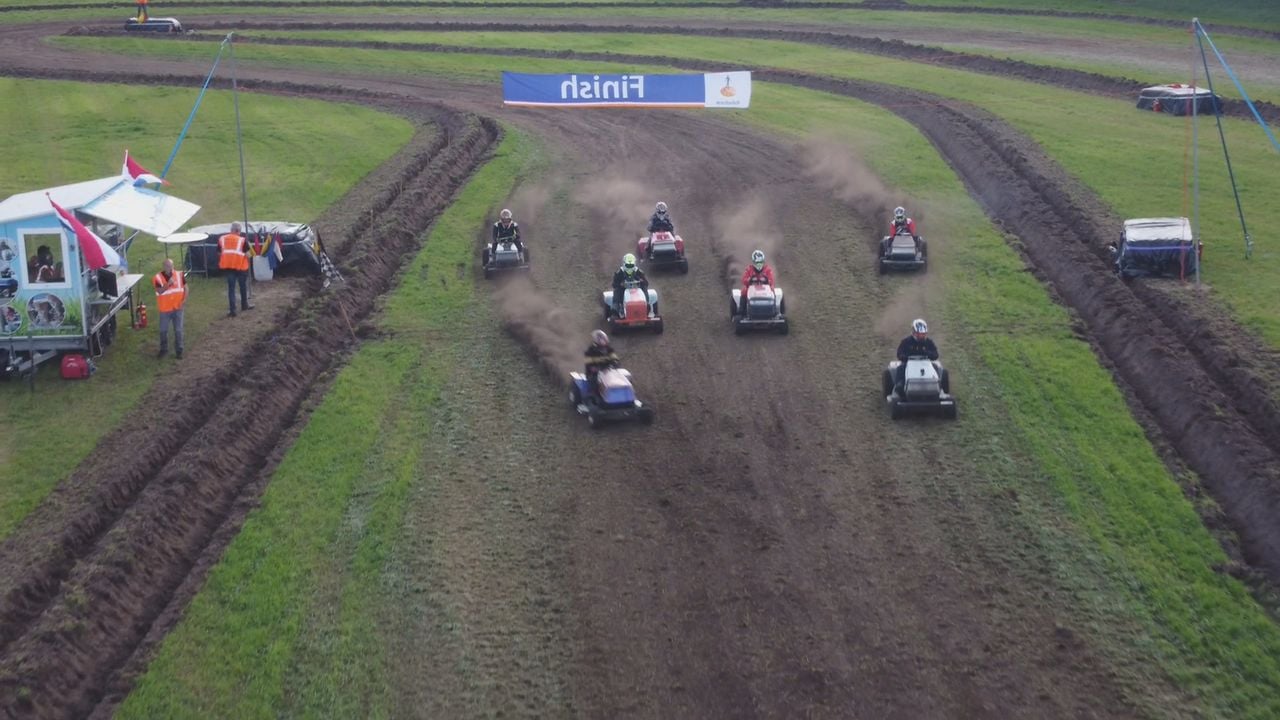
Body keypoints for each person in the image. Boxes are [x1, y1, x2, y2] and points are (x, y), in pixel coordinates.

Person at [894, 318, 940, 395]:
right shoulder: (906, 342)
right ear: (914, 333)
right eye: (919, 334)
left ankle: (938, 385)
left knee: (936, 367)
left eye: (923, 334)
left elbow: (935, 354)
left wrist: (927, 353)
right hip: (909, 363)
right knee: (900, 368)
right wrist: (907, 357)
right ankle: (900, 385)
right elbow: (899, 354)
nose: (921, 336)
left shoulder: (929, 342)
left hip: (925, 363)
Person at [153, 258, 187, 359]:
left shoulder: (180, 275)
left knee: (178, 330)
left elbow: (186, 288)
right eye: (167, 266)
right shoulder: (157, 278)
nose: (170, 268)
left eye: (171, 266)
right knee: (163, 330)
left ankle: (179, 351)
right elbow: (159, 291)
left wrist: (184, 301)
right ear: (164, 267)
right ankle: (163, 350)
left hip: (178, 308)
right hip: (165, 309)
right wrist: (168, 284)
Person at [218, 222, 253, 316]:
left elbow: (218, 252)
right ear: (238, 231)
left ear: (231, 229)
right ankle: (244, 305)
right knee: (243, 287)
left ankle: (232, 310)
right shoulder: (242, 240)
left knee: (231, 289)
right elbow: (248, 255)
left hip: (228, 268)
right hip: (241, 268)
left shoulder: (222, 239)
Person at [583, 329, 619, 400]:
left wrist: (614, 364)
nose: (603, 340)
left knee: (621, 377)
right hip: (594, 373)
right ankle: (594, 398)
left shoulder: (609, 349)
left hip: (608, 371)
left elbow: (615, 359)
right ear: (596, 340)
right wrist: (595, 369)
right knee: (594, 382)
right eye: (601, 339)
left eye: (604, 339)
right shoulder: (590, 351)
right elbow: (589, 365)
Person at [738, 249, 775, 315]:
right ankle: (742, 311)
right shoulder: (749, 269)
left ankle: (774, 310)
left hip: (765, 289)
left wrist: (767, 280)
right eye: (757, 263)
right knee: (743, 292)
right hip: (752, 289)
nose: (759, 265)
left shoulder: (767, 270)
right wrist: (749, 280)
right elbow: (744, 280)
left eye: (760, 262)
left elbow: (771, 280)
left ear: (763, 261)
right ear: (753, 262)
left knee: (773, 291)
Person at [611, 253, 649, 317]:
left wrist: (642, 281)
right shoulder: (619, 273)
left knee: (644, 287)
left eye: (631, 265)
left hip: (637, 290)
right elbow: (614, 285)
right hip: (623, 291)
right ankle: (616, 307)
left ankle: (646, 305)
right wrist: (620, 284)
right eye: (628, 265)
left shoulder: (639, 272)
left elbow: (646, 283)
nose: (630, 267)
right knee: (617, 290)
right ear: (624, 264)